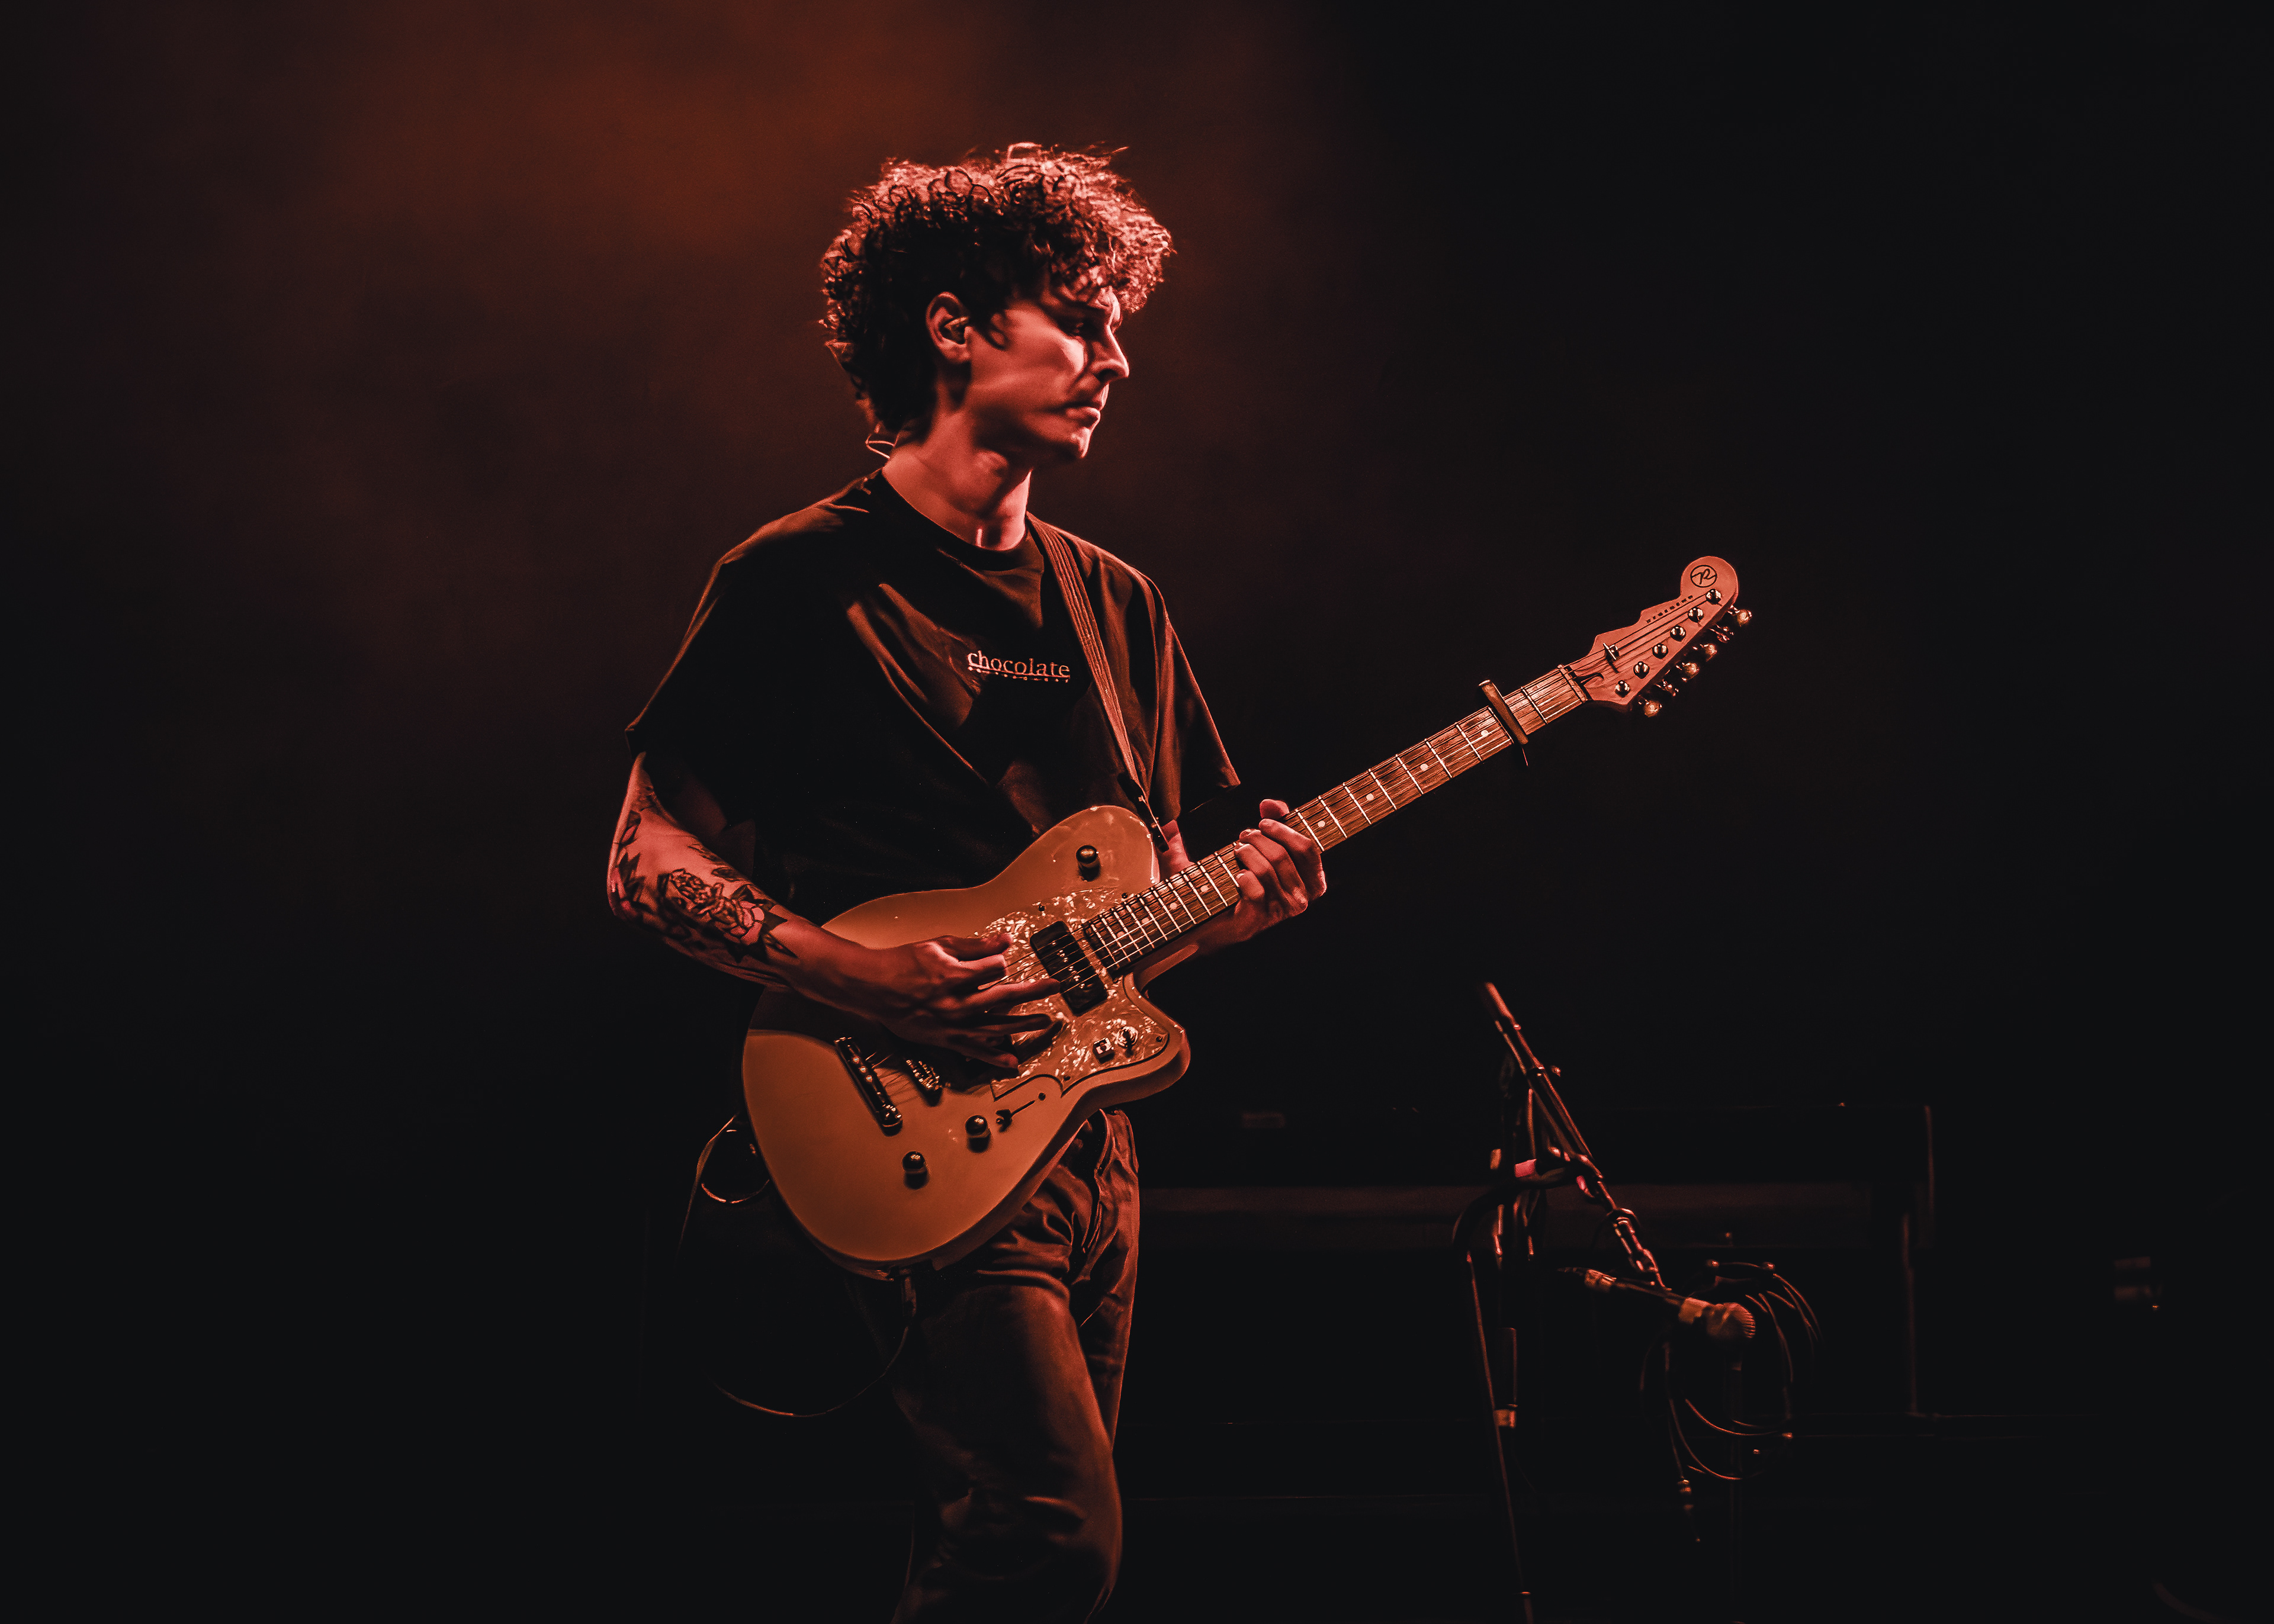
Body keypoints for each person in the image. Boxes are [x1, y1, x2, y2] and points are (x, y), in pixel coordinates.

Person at [606, 145, 1325, 1622]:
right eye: (1081, 319)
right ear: (952, 327)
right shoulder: (797, 578)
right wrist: (863, 977)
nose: (1117, 360)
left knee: (1004, 1555)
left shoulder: (1116, 603)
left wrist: (1235, 910)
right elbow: (645, 858)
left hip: (1088, 1141)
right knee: (1051, 1536)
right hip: (910, 1122)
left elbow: (1145, 906)